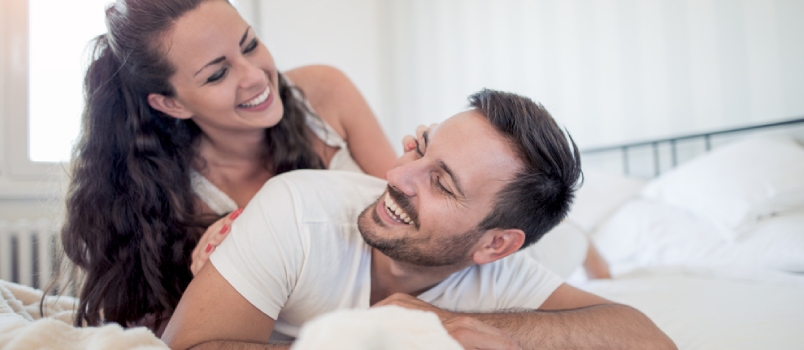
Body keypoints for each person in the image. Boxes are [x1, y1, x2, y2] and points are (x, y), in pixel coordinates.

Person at [162, 90, 675, 349]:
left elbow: (648, 338)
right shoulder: (295, 209)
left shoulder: (503, 271)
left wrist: (446, 322)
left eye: (443, 184)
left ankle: (584, 243)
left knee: (567, 245)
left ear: (496, 246)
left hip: (533, 244)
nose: (398, 175)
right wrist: (377, 334)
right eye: (419, 150)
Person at [55, 0, 396, 333]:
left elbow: (407, 205)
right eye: (217, 74)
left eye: (249, 45)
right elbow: (170, 334)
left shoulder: (327, 93)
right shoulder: (163, 200)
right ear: (172, 103)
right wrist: (209, 278)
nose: (255, 77)